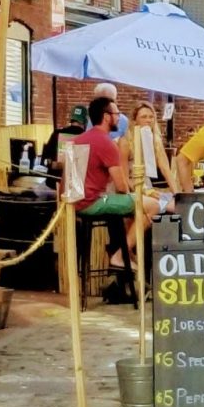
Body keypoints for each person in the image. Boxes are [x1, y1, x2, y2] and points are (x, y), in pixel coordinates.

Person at [72, 95, 135, 275]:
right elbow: (122, 187)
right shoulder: (107, 142)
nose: (119, 118)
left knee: (133, 206)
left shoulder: (78, 139)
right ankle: (120, 255)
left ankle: (126, 255)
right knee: (150, 206)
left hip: (76, 202)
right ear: (107, 116)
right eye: (117, 113)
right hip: (91, 202)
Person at [118, 101, 177, 223]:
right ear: (135, 121)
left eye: (151, 117)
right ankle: (130, 241)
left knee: (178, 205)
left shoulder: (155, 140)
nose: (148, 120)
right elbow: (123, 176)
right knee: (158, 206)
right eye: (144, 117)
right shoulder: (125, 142)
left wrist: (177, 194)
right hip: (131, 187)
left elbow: (165, 168)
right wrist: (143, 191)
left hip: (148, 186)